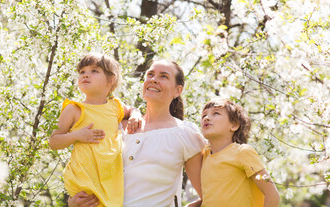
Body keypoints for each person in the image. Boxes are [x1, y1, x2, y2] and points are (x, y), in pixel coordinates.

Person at [69, 59, 206, 207]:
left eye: (163, 76)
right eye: (150, 74)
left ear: (177, 91)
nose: (153, 80)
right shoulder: (116, 126)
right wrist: (73, 202)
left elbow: (208, 195)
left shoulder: (185, 133)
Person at [49, 53, 141, 207]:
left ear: (110, 80)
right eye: (82, 72)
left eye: (94, 71)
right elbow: (54, 141)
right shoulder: (74, 109)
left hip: (110, 180)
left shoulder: (114, 106)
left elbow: (131, 110)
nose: (85, 75)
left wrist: (135, 115)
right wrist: (77, 136)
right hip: (85, 183)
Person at [199, 98, 280, 207]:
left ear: (234, 125)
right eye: (204, 115)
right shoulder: (205, 155)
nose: (207, 118)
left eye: (216, 113)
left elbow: (272, 194)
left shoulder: (242, 153)